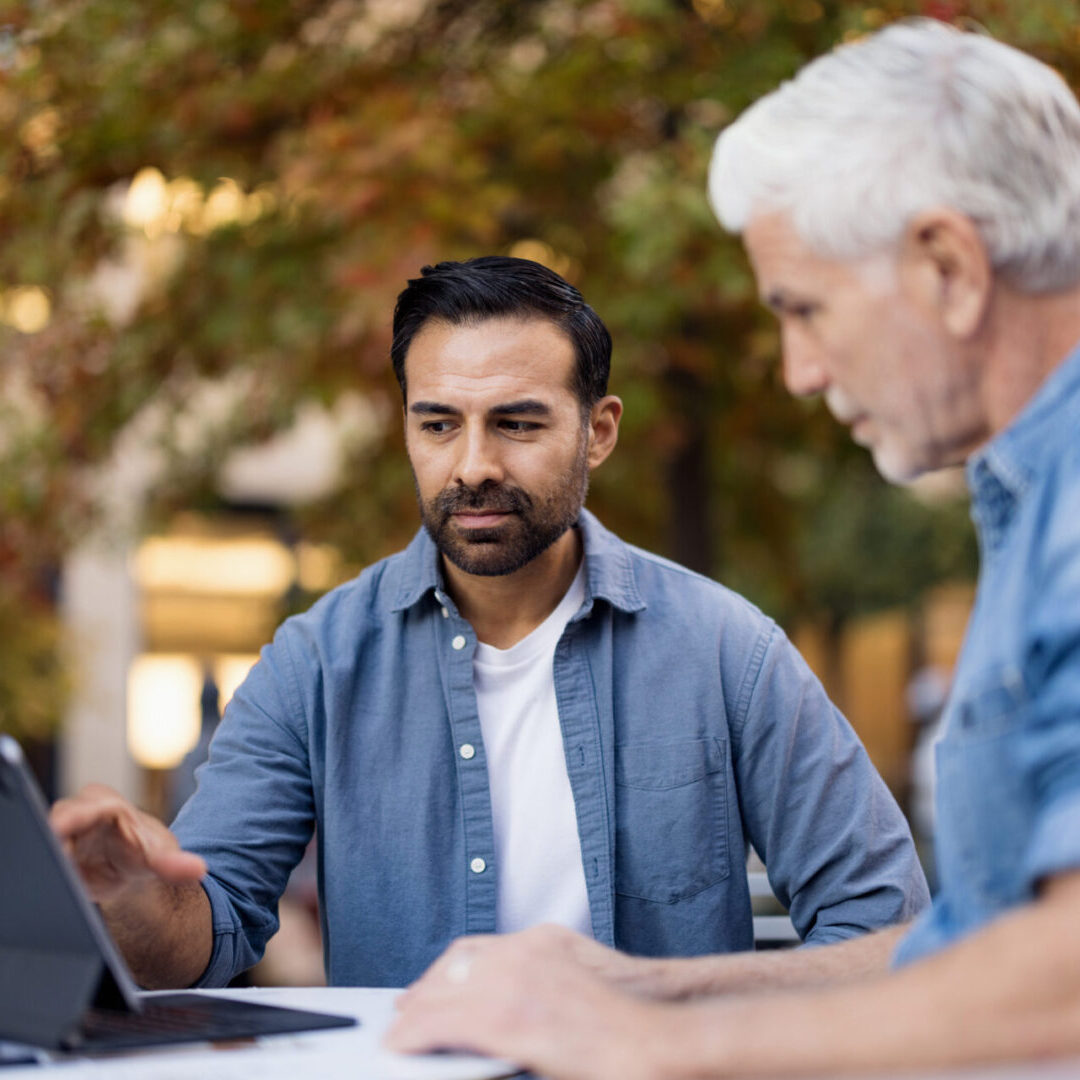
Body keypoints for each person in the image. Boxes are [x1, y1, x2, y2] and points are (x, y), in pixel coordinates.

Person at [387, 20, 1080, 1077]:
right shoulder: (1034, 504)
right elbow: (970, 950)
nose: (797, 370)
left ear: (947, 266)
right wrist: (644, 984)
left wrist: (655, 1042)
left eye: (805, 310)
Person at [50, 256, 926, 992]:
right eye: (439, 424)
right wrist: (129, 897)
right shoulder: (315, 664)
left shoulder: (727, 652)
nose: (473, 465)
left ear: (599, 432)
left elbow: (884, 920)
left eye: (516, 423)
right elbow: (203, 936)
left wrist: (693, 1016)